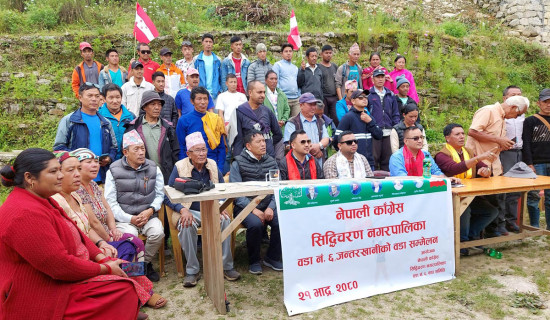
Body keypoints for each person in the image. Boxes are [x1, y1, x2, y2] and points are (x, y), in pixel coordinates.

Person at [0, 148, 142, 320]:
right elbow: (59, 266)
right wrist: (103, 268)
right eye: (54, 171)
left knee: (130, 271)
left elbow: (78, 232)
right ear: (29, 178)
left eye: (59, 170)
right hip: (40, 288)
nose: (60, 176)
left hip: (65, 271)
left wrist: (100, 257)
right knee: (123, 289)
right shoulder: (23, 213)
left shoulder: (44, 199)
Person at [167, 132, 241, 287]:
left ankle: (226, 266)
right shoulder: (179, 167)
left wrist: (220, 205)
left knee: (225, 219)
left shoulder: (212, 165)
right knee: (187, 224)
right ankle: (192, 270)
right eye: (197, 150)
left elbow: (222, 190)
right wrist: (182, 210)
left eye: (204, 150)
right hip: (189, 210)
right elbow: (167, 195)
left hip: (211, 207)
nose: (202, 154)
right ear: (188, 153)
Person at [104, 130, 165, 282]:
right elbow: (110, 202)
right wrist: (129, 218)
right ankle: (138, 271)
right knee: (132, 238)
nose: (141, 153)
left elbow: (159, 194)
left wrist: (150, 210)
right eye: (136, 149)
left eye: (142, 148)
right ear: (125, 152)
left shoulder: (153, 168)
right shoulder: (113, 170)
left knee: (158, 233)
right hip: (124, 219)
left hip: (148, 215)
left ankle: (143, 265)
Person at [74, 148, 147, 264]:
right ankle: (128, 276)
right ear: (77, 168)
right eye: (88, 162)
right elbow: (93, 222)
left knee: (136, 242)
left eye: (96, 161)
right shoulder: (78, 190)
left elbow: (107, 208)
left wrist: (113, 229)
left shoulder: (94, 185)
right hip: (94, 238)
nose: (95, 165)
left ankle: (137, 275)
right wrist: (108, 238)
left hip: (107, 232)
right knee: (128, 246)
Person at [434, 124, 499, 253]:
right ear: (447, 138)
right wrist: (478, 158)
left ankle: (471, 237)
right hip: (451, 196)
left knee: (491, 211)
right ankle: (461, 243)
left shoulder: (468, 152)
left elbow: (483, 167)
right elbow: (455, 168)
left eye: (463, 133)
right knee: (465, 210)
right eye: (457, 134)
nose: (462, 136)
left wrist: (485, 171)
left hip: (469, 193)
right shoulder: (441, 155)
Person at [229, 130, 282, 275]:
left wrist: (271, 207)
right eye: (258, 142)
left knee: (280, 221)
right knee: (256, 224)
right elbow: (236, 193)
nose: (263, 144)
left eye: (264, 141)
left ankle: (272, 257)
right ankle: (254, 260)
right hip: (244, 206)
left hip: (268, 205)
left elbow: (277, 188)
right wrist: (253, 209)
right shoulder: (238, 163)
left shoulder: (271, 161)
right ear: (248, 146)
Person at [54, 83, 117, 183]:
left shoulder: (105, 122)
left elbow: (114, 147)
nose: (94, 99)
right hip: (76, 178)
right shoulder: (70, 120)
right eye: (90, 96)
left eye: (97, 96)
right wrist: (78, 159)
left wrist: (109, 158)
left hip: (102, 176)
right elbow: (59, 148)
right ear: (80, 98)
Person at [126, 91, 179, 184]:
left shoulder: (168, 128)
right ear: (144, 107)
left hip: (165, 175)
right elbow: (127, 153)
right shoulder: (133, 128)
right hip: (141, 175)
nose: (157, 107)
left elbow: (176, 152)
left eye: (159, 104)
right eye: (153, 104)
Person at [176, 86, 225, 172]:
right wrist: (185, 168)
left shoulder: (215, 119)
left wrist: (219, 168)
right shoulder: (183, 120)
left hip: (213, 164)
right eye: (199, 99)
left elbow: (221, 147)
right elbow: (181, 146)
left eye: (205, 99)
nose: (203, 102)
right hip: (192, 166)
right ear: (192, 101)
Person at [231, 81, 283, 160]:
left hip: (268, 158)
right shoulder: (240, 112)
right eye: (259, 92)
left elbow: (278, 134)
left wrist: (267, 142)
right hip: (249, 160)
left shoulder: (267, 111)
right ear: (250, 93)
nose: (262, 95)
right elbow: (238, 140)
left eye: (264, 92)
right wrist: (238, 161)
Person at [523, 88, 550, 229]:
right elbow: (526, 143)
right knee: (534, 196)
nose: (549, 104)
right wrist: (529, 163)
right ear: (538, 103)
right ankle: (534, 226)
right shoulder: (530, 121)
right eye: (546, 101)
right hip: (537, 163)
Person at [336, 90, 383, 170]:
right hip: (352, 163)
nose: (364, 99)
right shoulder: (348, 117)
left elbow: (379, 135)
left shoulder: (369, 118)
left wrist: (370, 122)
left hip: (369, 162)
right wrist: (347, 157)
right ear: (353, 101)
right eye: (361, 97)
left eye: (366, 97)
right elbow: (336, 140)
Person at [499, 85, 524, 232]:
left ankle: (511, 220)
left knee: (516, 189)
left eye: (519, 94)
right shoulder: (499, 114)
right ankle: (500, 222)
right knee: (503, 188)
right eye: (513, 95)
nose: (517, 97)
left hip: (520, 153)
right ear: (505, 98)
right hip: (504, 153)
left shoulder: (523, 115)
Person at [284, 93, 330, 165]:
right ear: (301, 105)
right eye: (310, 104)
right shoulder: (292, 122)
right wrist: (312, 150)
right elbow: (290, 144)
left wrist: (318, 146)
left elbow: (326, 138)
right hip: (299, 164)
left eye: (314, 104)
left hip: (319, 162)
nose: (313, 107)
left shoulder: (320, 121)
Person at [368, 68, 400, 171]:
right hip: (375, 131)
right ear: (373, 79)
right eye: (378, 77)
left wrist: (395, 127)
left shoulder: (390, 94)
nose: (380, 79)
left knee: (387, 159)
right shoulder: (368, 94)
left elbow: (395, 113)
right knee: (374, 158)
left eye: (382, 77)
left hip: (389, 131)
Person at [98, 84, 136, 160]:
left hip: (127, 160)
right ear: (104, 99)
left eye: (118, 97)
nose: (115, 101)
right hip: (106, 160)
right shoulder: (99, 116)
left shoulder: (130, 116)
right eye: (111, 98)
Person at [263, 70, 291, 160]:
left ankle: (278, 174)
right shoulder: (262, 94)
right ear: (266, 80)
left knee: (279, 156)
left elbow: (287, 109)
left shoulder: (281, 94)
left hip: (280, 130)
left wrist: (283, 119)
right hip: (266, 131)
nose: (274, 81)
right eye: (271, 79)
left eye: (275, 79)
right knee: (267, 156)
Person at [273, 43, 300, 117]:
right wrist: (279, 95)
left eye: (290, 51)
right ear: (282, 53)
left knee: (296, 122)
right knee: (283, 121)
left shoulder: (295, 67)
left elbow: (298, 82)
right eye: (286, 51)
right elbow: (275, 82)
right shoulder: (278, 65)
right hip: (284, 99)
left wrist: (299, 95)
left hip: (296, 100)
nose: (288, 53)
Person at [194, 33, 222, 100]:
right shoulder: (197, 59)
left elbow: (221, 77)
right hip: (200, 93)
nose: (208, 44)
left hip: (215, 93)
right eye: (206, 41)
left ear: (213, 44)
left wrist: (220, 90)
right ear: (202, 43)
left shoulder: (218, 60)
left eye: (210, 42)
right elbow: (194, 77)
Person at [318, 44, 339, 126]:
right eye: (326, 53)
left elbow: (337, 81)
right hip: (324, 97)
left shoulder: (334, 66)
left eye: (330, 53)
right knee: (324, 118)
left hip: (334, 97)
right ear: (321, 54)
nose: (328, 55)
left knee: (336, 118)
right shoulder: (318, 67)